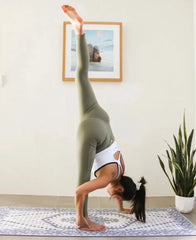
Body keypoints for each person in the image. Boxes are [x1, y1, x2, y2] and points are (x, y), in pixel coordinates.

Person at [61, 5, 147, 231]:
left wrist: (121, 208)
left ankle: (79, 30)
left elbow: (120, 187)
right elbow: (81, 190)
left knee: (81, 75)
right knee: (82, 182)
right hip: (92, 130)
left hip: (101, 117)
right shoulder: (108, 178)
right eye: (115, 197)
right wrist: (98, 191)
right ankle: (82, 221)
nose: (111, 195)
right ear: (118, 188)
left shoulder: (121, 168)